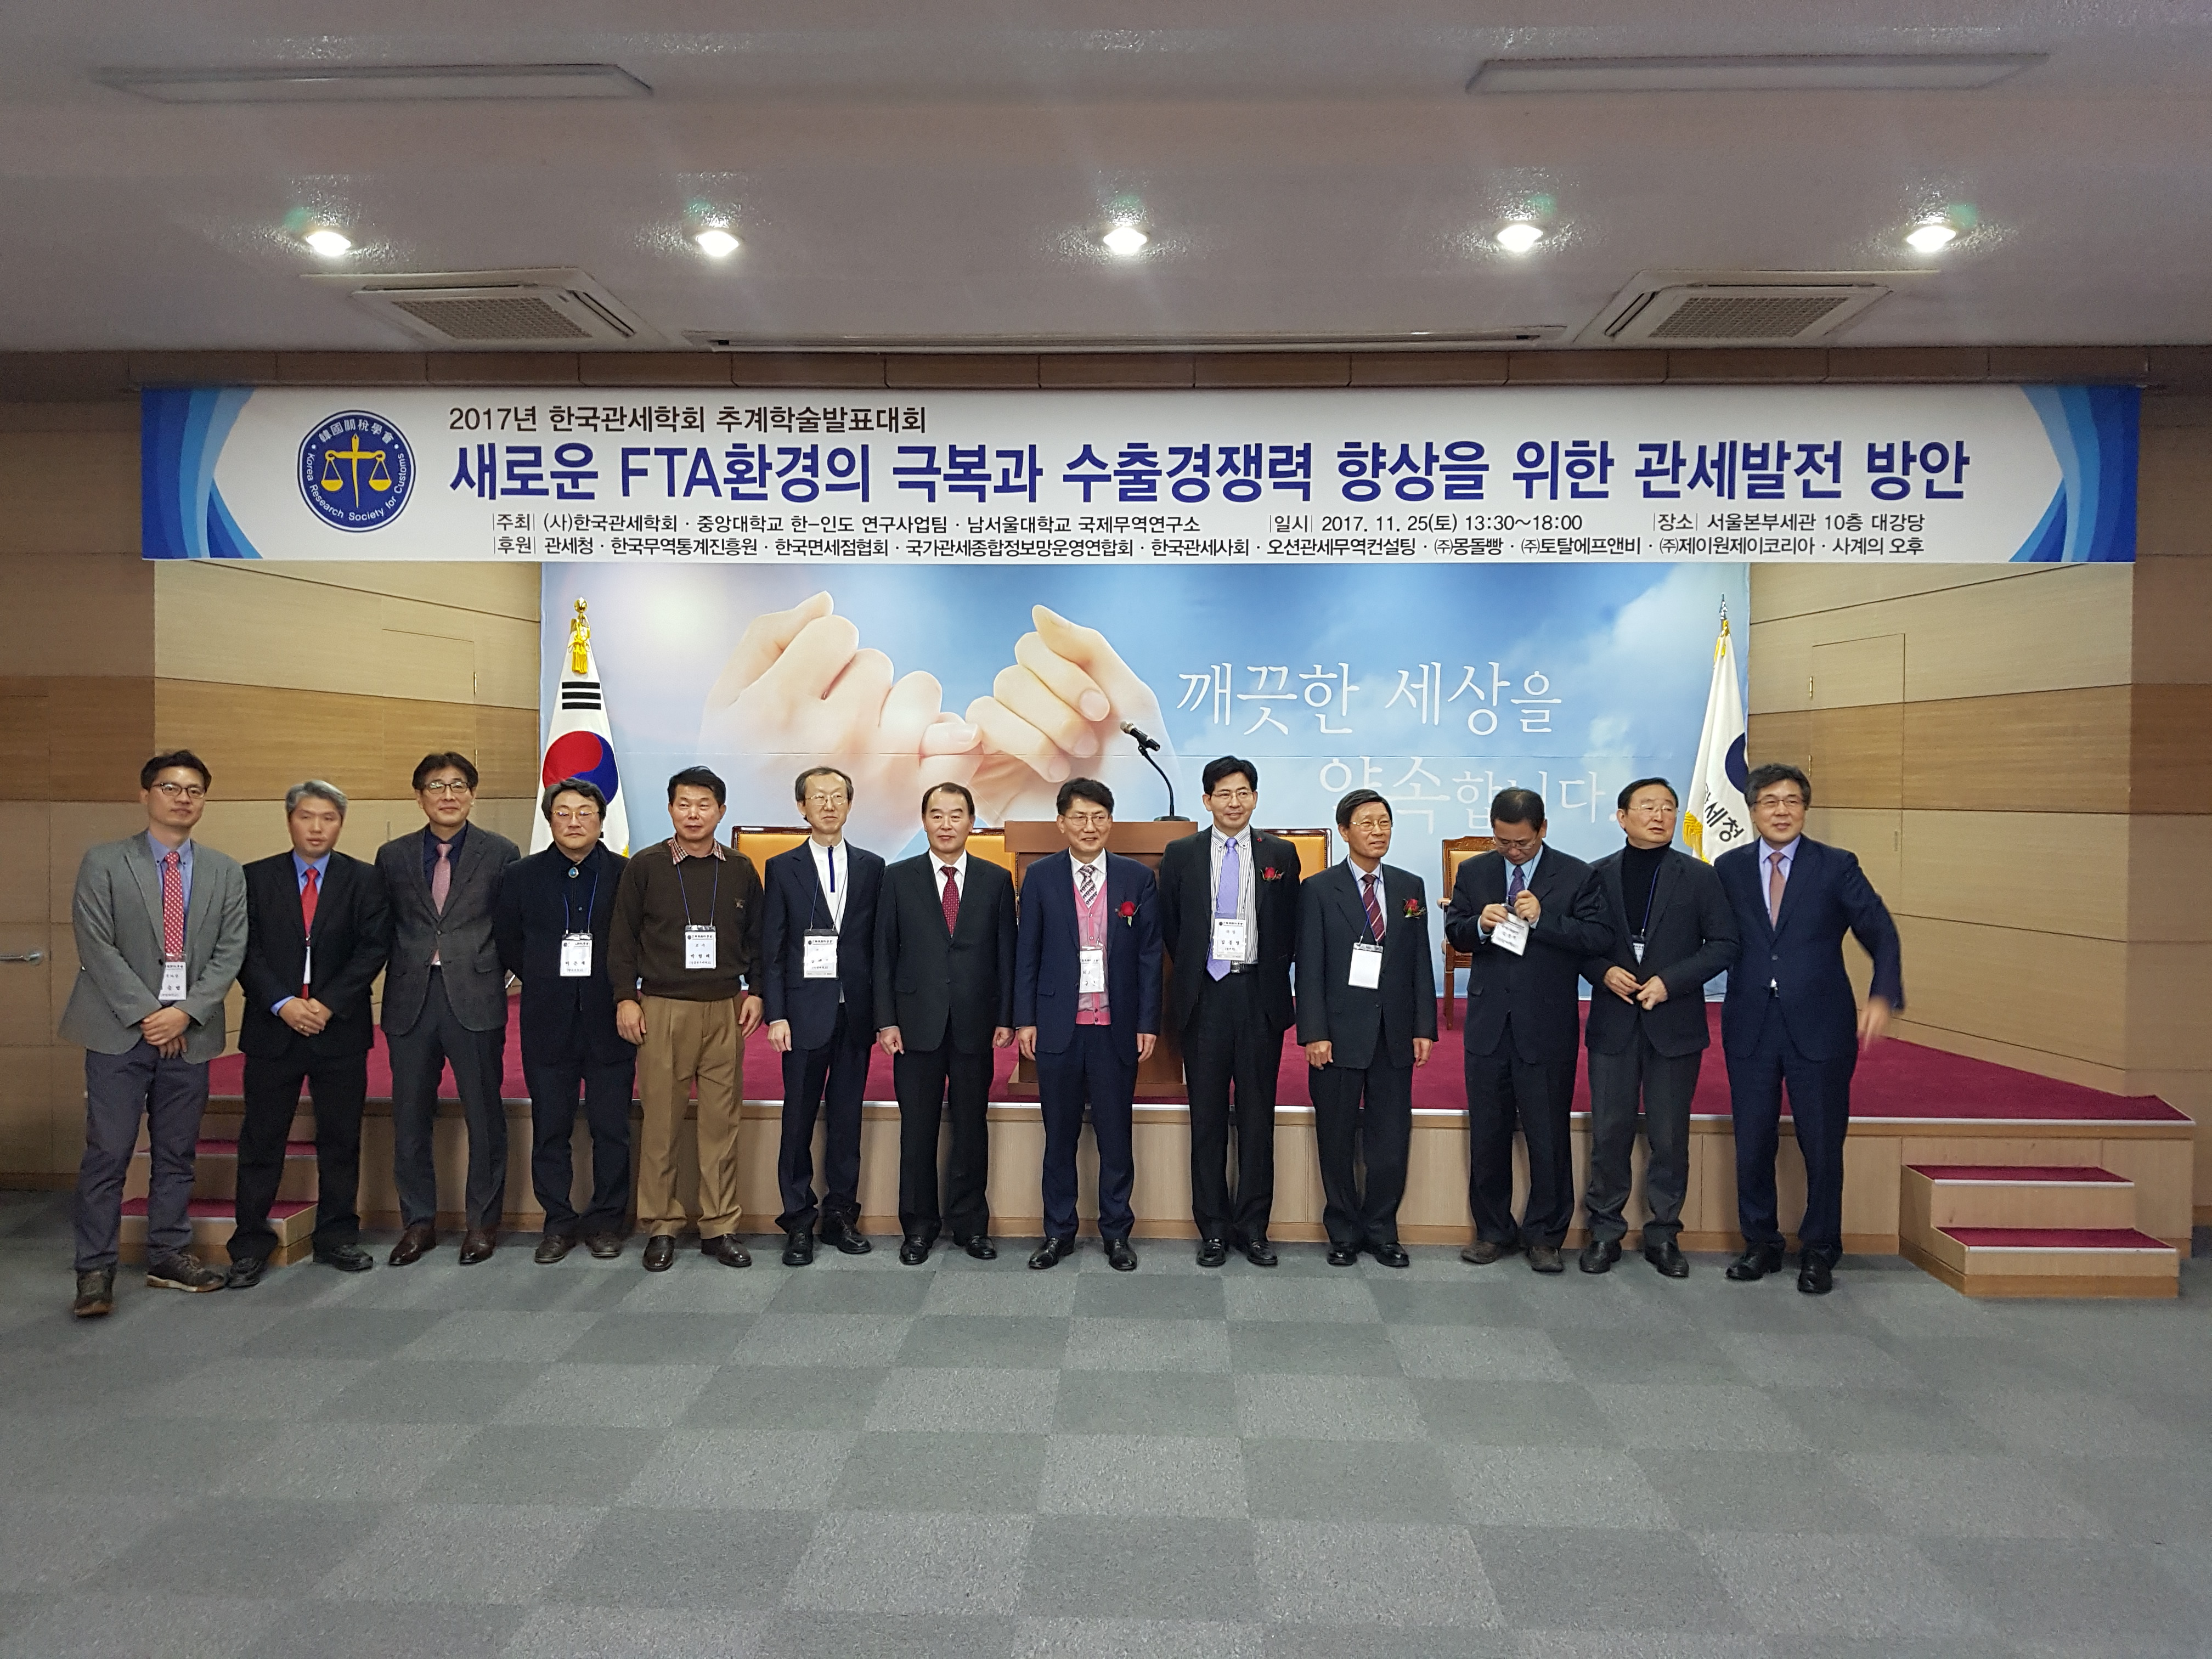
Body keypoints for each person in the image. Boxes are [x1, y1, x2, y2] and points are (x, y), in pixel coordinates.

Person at [60, 751, 248, 1315]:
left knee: (177, 1151)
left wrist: (184, 1013)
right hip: (118, 1032)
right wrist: (150, 1014)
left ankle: (169, 1253)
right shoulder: (104, 863)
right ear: (146, 795)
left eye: (194, 790)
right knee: (108, 1152)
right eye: (171, 787)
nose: (183, 798)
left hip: (191, 1034)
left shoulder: (224, 871)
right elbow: (96, 945)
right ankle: (95, 1268)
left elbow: (230, 950)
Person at [1716, 763, 1903, 1295]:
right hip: (1751, 1023)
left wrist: (1882, 994)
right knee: (1753, 1140)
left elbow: (1881, 933)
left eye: (1792, 801)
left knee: (1821, 1143)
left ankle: (1820, 1249)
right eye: (1770, 802)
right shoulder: (1728, 868)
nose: (1781, 811)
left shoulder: (1836, 866)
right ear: (1753, 811)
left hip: (1821, 1025)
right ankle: (1761, 1242)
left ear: (1805, 808)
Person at [227, 780, 390, 1287]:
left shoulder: (365, 880)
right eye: (307, 817)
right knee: (261, 1139)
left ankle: (336, 1236)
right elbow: (243, 950)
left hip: (338, 1030)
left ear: (340, 824)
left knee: (340, 1138)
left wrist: (326, 1004)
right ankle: (250, 1243)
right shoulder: (254, 878)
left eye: (328, 819)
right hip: (273, 1029)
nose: (317, 828)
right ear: (289, 820)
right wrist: (283, 1003)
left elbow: (373, 948)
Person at [1443, 787, 1611, 1274]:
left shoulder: (1577, 875)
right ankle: (1492, 1231)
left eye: (1522, 843)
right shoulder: (1475, 871)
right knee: (1488, 1134)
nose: (1512, 851)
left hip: (1547, 1025)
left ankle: (1546, 1236)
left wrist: (1545, 921)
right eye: (1503, 842)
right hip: (1489, 1025)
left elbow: (1597, 937)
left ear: (1542, 830)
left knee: (1548, 1136)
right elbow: (1455, 929)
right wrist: (1479, 924)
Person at [1575, 778, 1737, 1279]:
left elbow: (1724, 944)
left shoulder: (1699, 876)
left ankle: (1664, 1233)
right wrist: (1602, 971)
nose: (1659, 815)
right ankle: (1605, 1231)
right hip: (1614, 1021)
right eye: (1647, 807)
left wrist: (1671, 982)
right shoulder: (1595, 875)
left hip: (1674, 1021)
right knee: (1610, 1131)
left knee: (1670, 1135)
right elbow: (1577, 942)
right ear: (1622, 817)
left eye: (1668, 807)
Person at [609, 766, 764, 1271]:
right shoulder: (646, 866)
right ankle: (662, 1225)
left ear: (721, 811)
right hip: (662, 1007)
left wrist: (758, 991)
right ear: (671, 808)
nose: (693, 814)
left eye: (704, 805)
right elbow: (621, 938)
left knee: (722, 1123)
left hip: (724, 1008)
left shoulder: (739, 868)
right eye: (684, 804)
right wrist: (625, 998)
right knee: (662, 1122)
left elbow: (758, 938)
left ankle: (719, 1225)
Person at [375, 752, 520, 1267]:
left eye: (459, 785)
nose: (448, 795)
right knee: (410, 1116)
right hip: (411, 997)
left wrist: (498, 972)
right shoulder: (393, 855)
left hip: (475, 995)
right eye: (436, 786)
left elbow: (511, 925)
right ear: (419, 797)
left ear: (473, 795)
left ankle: (483, 1223)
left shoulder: (500, 853)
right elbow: (383, 926)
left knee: (484, 1113)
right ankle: (418, 1222)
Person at [1156, 755, 1301, 1268]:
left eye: (1242, 793)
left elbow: (1289, 925)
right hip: (1206, 996)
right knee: (1208, 1118)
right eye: (1223, 794)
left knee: (1259, 1119)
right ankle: (1214, 1228)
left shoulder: (1280, 853)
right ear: (1206, 801)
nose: (1234, 802)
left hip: (1259, 995)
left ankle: (1254, 1227)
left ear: (1255, 798)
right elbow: (1172, 926)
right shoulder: (1181, 854)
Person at [1014, 777, 1162, 1271]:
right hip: (1058, 1026)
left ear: (1111, 822)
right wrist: (1025, 1019)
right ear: (1061, 823)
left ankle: (1117, 1233)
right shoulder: (1040, 876)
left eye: (1099, 817)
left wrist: (1147, 1021)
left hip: (1115, 1027)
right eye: (1079, 817)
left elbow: (1149, 957)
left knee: (1116, 1137)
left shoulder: (1136, 879)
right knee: (1059, 1138)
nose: (1089, 826)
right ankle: (1058, 1233)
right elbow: (1027, 953)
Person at [875, 782, 1017, 1265]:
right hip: (915, 1024)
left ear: (972, 822)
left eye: (956, 815)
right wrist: (886, 1021)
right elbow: (883, 955)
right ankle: (918, 1227)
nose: (946, 824)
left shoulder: (996, 880)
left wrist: (1006, 1017)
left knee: (971, 1128)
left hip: (977, 1023)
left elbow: (1006, 954)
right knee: (917, 1130)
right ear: (924, 821)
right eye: (936, 815)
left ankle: (970, 1225)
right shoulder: (897, 878)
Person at [495, 777, 633, 1265]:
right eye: (563, 813)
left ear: (601, 821)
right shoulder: (520, 875)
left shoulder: (626, 874)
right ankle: (557, 1222)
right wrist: (544, 975)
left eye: (585, 813)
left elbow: (636, 940)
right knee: (550, 1128)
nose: (574, 822)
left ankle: (606, 1222)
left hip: (609, 1018)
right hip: (547, 1017)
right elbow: (509, 940)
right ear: (549, 820)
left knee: (611, 1129)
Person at [1295, 789, 1435, 1268]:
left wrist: (1424, 1026)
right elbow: (1308, 967)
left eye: (1384, 822)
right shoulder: (1319, 889)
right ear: (1344, 832)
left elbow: (1420, 962)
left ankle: (1382, 1230)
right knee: (1336, 1140)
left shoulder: (1410, 886)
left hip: (1393, 1034)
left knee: (1390, 1142)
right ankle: (1343, 1231)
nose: (1378, 831)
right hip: (1337, 1036)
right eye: (1366, 823)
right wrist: (1314, 1032)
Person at [760, 765, 884, 1266]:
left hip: (854, 1013)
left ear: (850, 805)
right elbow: (772, 949)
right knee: (797, 1120)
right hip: (803, 1014)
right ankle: (798, 1220)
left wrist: (882, 1015)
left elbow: (877, 948)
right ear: (802, 806)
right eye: (819, 797)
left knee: (847, 1120)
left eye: (838, 797)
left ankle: (840, 1215)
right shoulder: (781, 867)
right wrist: (776, 1015)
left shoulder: (873, 867)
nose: (829, 806)